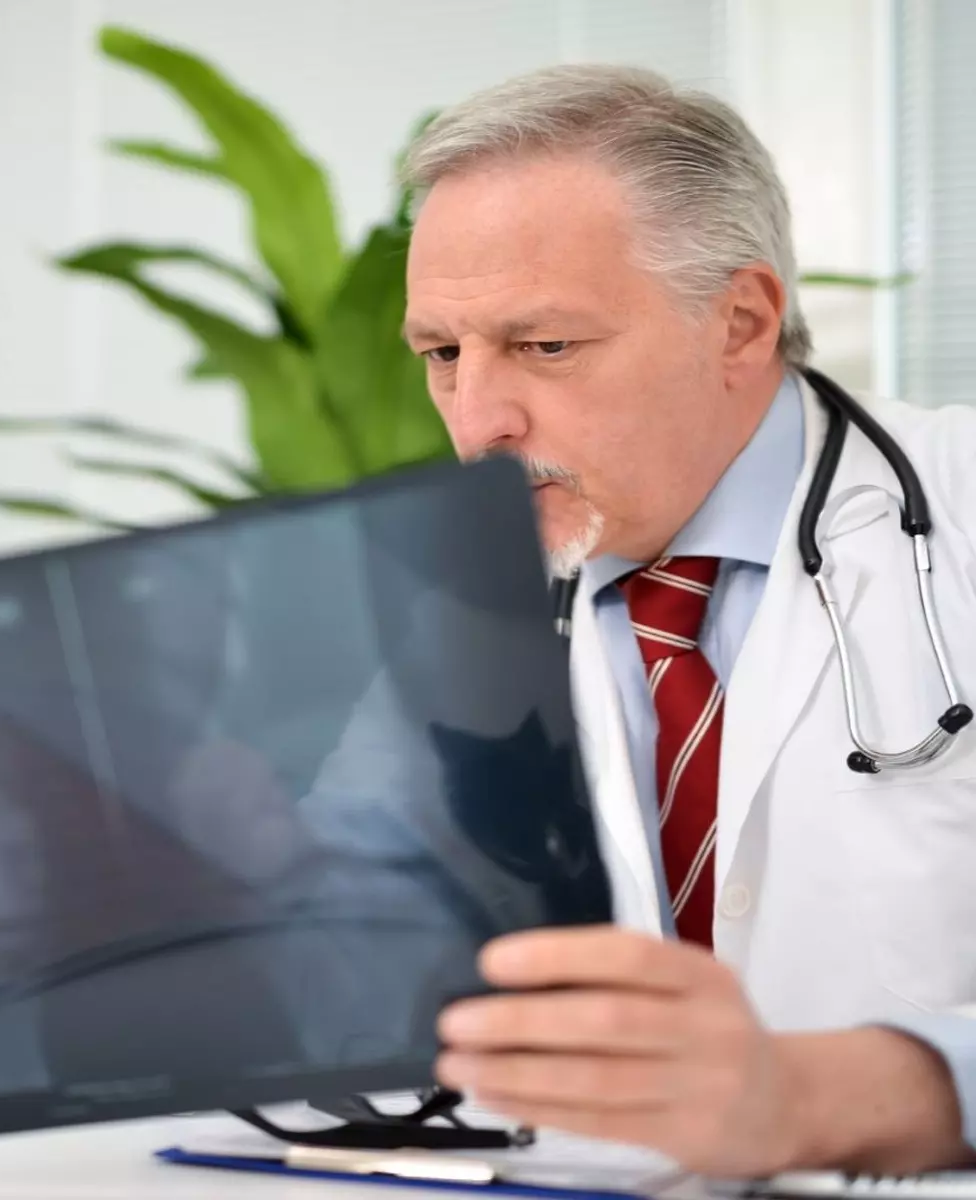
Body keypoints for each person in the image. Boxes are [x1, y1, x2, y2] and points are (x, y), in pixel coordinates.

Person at [383, 65, 976, 1177]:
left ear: (739, 324)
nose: (478, 423)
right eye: (442, 355)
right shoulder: (446, 616)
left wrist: (819, 1096)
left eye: (544, 346)